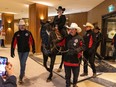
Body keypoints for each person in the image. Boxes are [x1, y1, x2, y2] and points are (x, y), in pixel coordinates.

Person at [59, 23, 85, 87]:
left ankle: (74, 84)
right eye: (70, 29)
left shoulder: (80, 38)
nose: (71, 30)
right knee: (67, 75)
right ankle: (67, 85)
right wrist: (55, 42)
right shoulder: (66, 37)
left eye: (73, 29)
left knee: (75, 75)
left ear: (76, 30)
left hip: (76, 59)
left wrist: (78, 50)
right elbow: (61, 43)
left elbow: (83, 47)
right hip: (67, 59)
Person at [11, 19, 35, 84]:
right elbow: (13, 43)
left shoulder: (28, 33)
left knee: (22, 63)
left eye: (23, 25)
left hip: (26, 51)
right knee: (22, 63)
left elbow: (32, 41)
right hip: (19, 51)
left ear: (25, 26)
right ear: (19, 26)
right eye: (20, 25)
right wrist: (12, 51)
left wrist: (33, 48)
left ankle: (20, 77)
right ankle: (23, 72)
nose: (22, 26)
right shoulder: (16, 34)